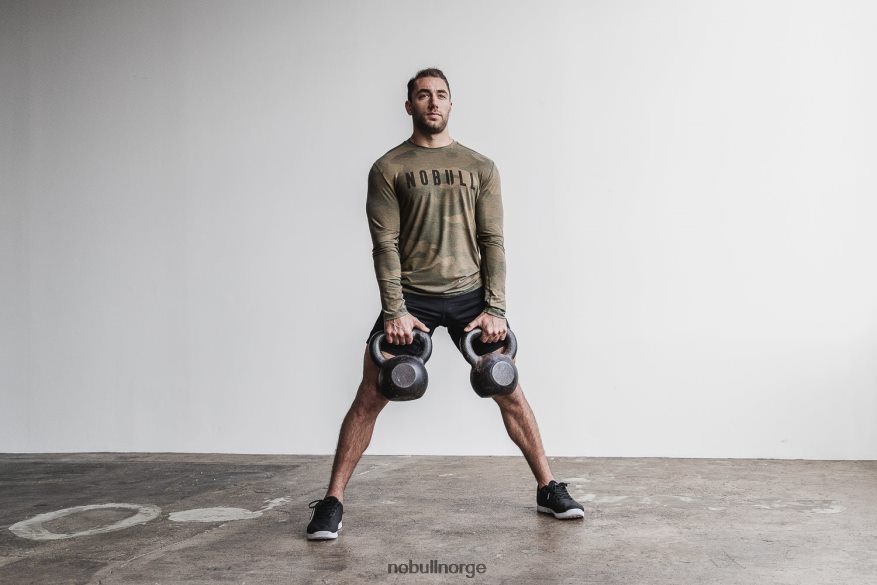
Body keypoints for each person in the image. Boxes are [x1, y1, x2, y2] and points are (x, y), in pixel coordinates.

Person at [306, 68, 584, 540]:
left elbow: (493, 241)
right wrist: (394, 311)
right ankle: (332, 501)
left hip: (471, 296)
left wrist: (496, 308)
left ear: (451, 104)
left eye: (440, 95)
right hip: (412, 298)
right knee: (371, 394)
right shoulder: (389, 168)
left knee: (508, 387)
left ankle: (548, 488)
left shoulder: (480, 166)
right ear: (409, 106)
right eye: (423, 95)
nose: (433, 102)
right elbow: (385, 245)